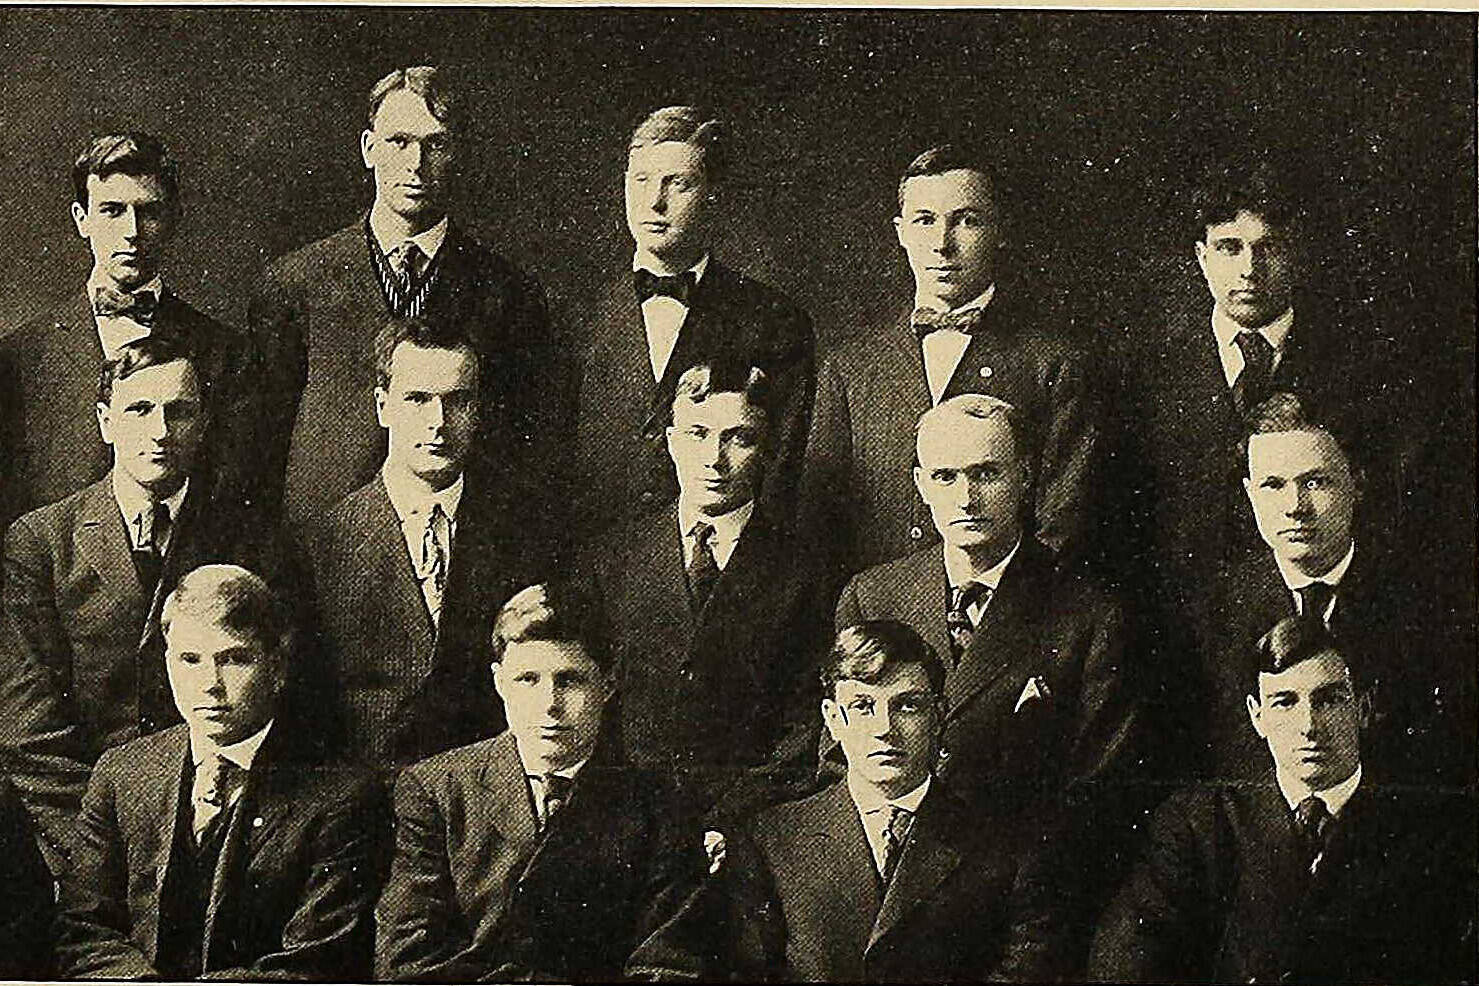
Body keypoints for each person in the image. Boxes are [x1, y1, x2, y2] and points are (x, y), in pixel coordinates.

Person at [1, 334, 297, 871]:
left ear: (204, 423)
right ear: (105, 421)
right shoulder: (41, 541)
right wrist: (102, 847)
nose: (160, 432)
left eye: (178, 412)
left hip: (221, 832)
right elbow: (29, 730)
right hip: (79, 837)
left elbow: (276, 697)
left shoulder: (251, 538)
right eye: (139, 410)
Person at [1090, 617, 1477, 984]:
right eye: (1284, 702)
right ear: (1257, 716)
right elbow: (1126, 963)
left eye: (1328, 700)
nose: (1308, 725)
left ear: (1362, 708)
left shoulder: (1436, 832)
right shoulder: (1199, 825)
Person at [248, 66, 553, 528]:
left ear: (459, 155)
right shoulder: (295, 283)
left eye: (436, 145)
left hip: (454, 545)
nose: (416, 163)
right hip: (318, 546)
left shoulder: (509, 293)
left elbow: (524, 450)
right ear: (369, 149)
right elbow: (260, 448)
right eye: (400, 142)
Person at [54, 565, 387, 981]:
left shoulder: (344, 794)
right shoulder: (123, 773)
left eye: (233, 660)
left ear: (277, 667)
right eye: (189, 660)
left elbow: (315, 959)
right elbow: (83, 927)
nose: (209, 684)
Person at [374, 582, 710, 983]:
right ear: (500, 683)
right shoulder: (437, 791)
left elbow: (667, 967)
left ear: (608, 683)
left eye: (570, 680)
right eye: (528, 680)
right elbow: (408, 962)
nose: (549, 703)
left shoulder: (659, 805)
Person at [801, 143, 1096, 581]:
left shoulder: (1052, 363)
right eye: (925, 221)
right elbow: (820, 526)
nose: (942, 244)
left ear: (999, 231)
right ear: (900, 232)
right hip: (879, 624)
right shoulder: (851, 368)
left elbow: (1062, 521)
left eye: (967, 220)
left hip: (1008, 621)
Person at [716, 621, 1059, 982]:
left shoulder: (1005, 846)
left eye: (907, 706)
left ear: (938, 717)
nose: (884, 727)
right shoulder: (771, 840)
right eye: (863, 706)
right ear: (833, 719)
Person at [579, 360, 828, 819]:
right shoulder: (612, 559)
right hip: (625, 821)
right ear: (672, 442)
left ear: (766, 449)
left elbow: (801, 734)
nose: (714, 458)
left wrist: (730, 819)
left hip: (747, 821)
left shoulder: (804, 574)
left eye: (739, 437)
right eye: (697, 434)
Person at [566, 105, 814, 540]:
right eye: (641, 181)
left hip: (713, 567)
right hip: (594, 569)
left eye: (676, 184)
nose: (654, 202)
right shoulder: (578, 315)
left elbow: (782, 469)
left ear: (713, 194)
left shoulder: (774, 320)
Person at [1202, 391, 1472, 784]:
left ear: (1356, 483)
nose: (1295, 506)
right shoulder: (1211, 612)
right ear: (1249, 494)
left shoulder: (1427, 605)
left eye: (1314, 482)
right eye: (1273, 485)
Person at [310, 317, 544, 769]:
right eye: (417, 400)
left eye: (457, 401)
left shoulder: (525, 535)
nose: (438, 422)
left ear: (478, 410)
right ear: (383, 406)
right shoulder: (322, 542)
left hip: (482, 797)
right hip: (363, 801)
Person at [0, 132, 252, 527]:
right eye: (112, 211)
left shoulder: (225, 353)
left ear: (172, 218)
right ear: (82, 220)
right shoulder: (19, 358)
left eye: (149, 212)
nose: (132, 231)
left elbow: (234, 499)